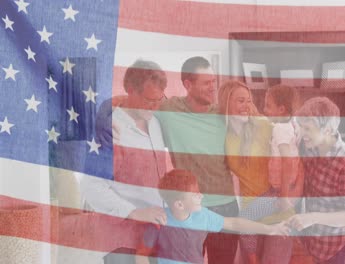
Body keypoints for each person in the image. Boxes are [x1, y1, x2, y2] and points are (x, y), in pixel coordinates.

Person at [81, 60, 169, 261]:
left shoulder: (155, 123)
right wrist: (134, 212)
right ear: (130, 90)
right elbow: (91, 186)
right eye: (149, 99)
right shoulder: (109, 131)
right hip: (121, 241)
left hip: (154, 234)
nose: (154, 107)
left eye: (159, 99)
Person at [155, 57, 239, 263]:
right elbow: (134, 100)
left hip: (225, 205)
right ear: (187, 85)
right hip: (188, 208)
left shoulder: (223, 114)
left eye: (213, 82)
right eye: (206, 83)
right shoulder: (169, 110)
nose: (212, 88)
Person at [218, 81, 303, 264]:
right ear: (226, 103)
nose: (247, 106)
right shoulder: (224, 135)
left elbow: (295, 159)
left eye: (249, 101)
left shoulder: (267, 125)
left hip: (278, 215)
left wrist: (290, 195)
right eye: (241, 101)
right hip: (250, 214)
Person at [135, 169, 289, 264]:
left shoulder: (203, 216)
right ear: (180, 205)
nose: (201, 196)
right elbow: (141, 255)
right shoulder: (159, 222)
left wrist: (269, 229)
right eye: (195, 195)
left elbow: (235, 224)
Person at [286, 97, 345, 264]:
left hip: (340, 243)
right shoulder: (310, 146)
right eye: (301, 127)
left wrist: (312, 217)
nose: (302, 133)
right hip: (318, 239)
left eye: (307, 128)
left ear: (328, 130)